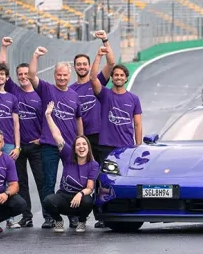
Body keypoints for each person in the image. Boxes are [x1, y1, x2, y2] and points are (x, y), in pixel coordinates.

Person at [28, 46, 84, 229]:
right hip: (50, 145)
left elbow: (78, 119)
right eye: (59, 75)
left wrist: (81, 140)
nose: (62, 78)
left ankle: (73, 216)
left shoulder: (74, 95)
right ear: (54, 75)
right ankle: (49, 217)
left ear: (70, 76)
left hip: (69, 146)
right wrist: (35, 56)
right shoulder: (46, 89)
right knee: (49, 182)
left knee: (71, 182)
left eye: (65, 75)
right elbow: (31, 76)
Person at [89, 46, 142, 229]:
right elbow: (93, 79)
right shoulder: (105, 94)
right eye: (115, 75)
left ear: (126, 78)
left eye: (121, 75)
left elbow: (137, 124)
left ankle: (127, 211)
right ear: (111, 77)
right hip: (106, 146)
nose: (118, 77)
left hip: (127, 148)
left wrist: (139, 145)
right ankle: (103, 216)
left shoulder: (134, 99)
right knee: (105, 182)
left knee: (126, 181)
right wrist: (98, 56)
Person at [0, 36, 43, 229]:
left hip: (36, 145)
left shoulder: (40, 93)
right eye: (20, 74)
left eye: (26, 74)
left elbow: (49, 120)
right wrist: (4, 47)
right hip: (17, 147)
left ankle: (49, 215)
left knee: (42, 182)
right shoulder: (13, 91)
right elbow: (0, 66)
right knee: (21, 183)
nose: (24, 76)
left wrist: (42, 139)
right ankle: (27, 216)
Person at [41, 102, 99, 233]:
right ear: (74, 148)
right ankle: (58, 220)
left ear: (88, 147)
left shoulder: (93, 165)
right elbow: (57, 135)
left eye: (84, 144)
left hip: (79, 199)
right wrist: (48, 115)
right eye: (78, 145)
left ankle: (82, 221)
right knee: (48, 201)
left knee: (88, 201)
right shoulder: (68, 155)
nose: (81, 147)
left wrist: (80, 194)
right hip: (64, 197)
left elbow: (90, 188)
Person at [71, 30, 115, 159]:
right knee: (86, 173)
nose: (82, 67)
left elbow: (111, 63)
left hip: (101, 135)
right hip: (82, 138)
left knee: (103, 171)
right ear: (74, 67)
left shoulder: (97, 82)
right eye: (78, 64)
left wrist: (105, 40)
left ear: (90, 66)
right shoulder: (71, 90)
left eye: (84, 64)